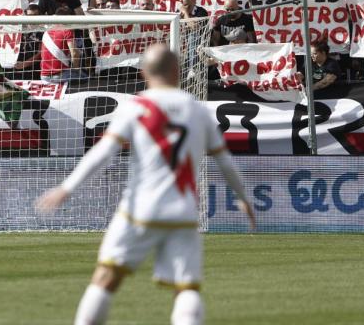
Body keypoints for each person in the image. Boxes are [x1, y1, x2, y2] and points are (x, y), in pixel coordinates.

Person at [36, 44, 255, 325]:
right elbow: (225, 162)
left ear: (143, 73)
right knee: (186, 289)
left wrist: (66, 188)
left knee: (105, 277)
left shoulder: (137, 107)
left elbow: (102, 153)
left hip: (140, 209)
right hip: (183, 212)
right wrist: (243, 196)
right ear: (178, 72)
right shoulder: (197, 110)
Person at [40, 5, 85, 82]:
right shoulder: (67, 30)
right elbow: (74, 53)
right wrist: (75, 70)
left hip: (44, 76)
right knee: (86, 78)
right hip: (61, 75)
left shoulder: (47, 31)